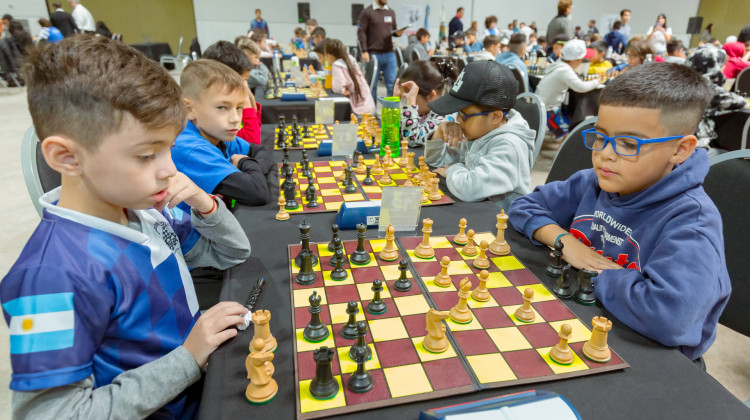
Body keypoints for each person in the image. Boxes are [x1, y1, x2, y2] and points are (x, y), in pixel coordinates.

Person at [1, 36, 251, 419]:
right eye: (147, 154)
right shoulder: (50, 277)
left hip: (199, 386)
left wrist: (204, 202)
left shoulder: (145, 209)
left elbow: (232, 251)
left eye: (169, 148)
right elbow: (53, 414)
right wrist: (187, 358)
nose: (169, 169)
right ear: (66, 157)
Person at [509, 62, 730, 361]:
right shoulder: (593, 182)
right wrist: (566, 242)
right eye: (600, 137)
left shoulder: (692, 222)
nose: (605, 154)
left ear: (680, 149)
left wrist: (593, 268)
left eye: (629, 143)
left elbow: (668, 317)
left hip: (651, 357)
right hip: (589, 317)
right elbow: (524, 205)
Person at [423, 61, 536, 209]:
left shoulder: (508, 145)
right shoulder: (478, 131)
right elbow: (435, 161)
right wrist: (439, 132)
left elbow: (470, 189)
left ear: (495, 117)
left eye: (464, 115)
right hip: (478, 209)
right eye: (458, 112)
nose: (457, 119)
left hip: (503, 221)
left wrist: (452, 170)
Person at [172, 59, 273, 208]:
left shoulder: (215, 134)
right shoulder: (190, 148)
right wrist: (245, 164)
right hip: (193, 230)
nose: (235, 119)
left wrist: (248, 170)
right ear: (190, 109)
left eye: (239, 107)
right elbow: (257, 193)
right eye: (222, 107)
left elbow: (262, 150)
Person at [202, 41, 264, 146]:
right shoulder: (216, 113)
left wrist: (251, 101)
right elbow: (252, 143)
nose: (245, 86)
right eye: (242, 82)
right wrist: (246, 104)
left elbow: (256, 134)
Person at [687, 46, 750, 150]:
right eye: (722, 66)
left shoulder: (683, 83)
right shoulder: (708, 90)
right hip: (695, 147)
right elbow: (741, 102)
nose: (724, 69)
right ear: (714, 67)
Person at [535, 40, 600, 138]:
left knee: (572, 119)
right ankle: (561, 150)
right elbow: (580, 87)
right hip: (548, 113)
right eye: (581, 60)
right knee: (569, 135)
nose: (581, 62)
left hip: (541, 107)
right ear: (575, 60)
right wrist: (597, 81)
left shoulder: (559, 64)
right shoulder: (565, 71)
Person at [394, 59, 459, 147]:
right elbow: (398, 131)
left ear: (431, 95)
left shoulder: (444, 116)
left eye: (413, 99)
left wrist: (410, 105)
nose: (408, 105)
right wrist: (395, 101)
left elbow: (412, 141)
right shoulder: (426, 110)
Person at [357, 0, 405, 100]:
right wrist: (364, 51)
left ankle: (391, 111)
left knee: (393, 84)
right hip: (373, 54)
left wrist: (398, 33)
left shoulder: (391, 12)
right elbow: (361, 32)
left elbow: (394, 31)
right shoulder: (367, 12)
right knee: (372, 85)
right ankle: (372, 112)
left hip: (389, 54)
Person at [314, 38, 375, 116]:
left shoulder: (337, 65)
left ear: (329, 56)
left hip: (359, 110)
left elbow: (338, 88)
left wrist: (343, 89)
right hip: (369, 104)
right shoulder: (350, 59)